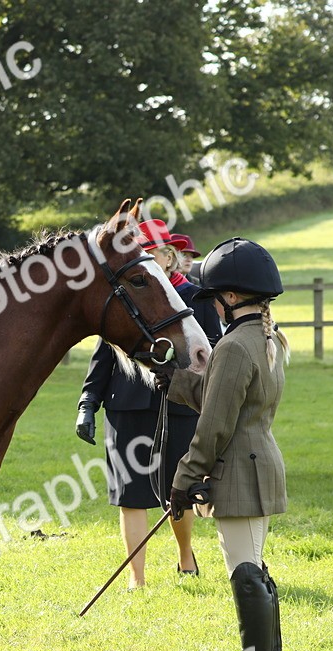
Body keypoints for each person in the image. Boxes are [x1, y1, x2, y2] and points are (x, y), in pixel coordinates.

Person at [161, 237, 292, 651]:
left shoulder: (235, 345)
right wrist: (173, 382)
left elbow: (215, 424)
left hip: (240, 469)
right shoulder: (268, 338)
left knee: (245, 572)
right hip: (257, 464)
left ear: (231, 298)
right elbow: (223, 398)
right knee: (253, 568)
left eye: (215, 299)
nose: (212, 308)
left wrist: (183, 479)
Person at [76, 219, 223, 588]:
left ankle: (185, 557)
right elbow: (104, 354)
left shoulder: (195, 298)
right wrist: (87, 401)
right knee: (131, 495)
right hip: (125, 406)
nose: (145, 259)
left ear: (169, 257)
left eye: (152, 252)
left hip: (178, 406)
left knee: (179, 489)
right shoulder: (124, 294)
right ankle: (136, 578)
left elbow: (210, 354)